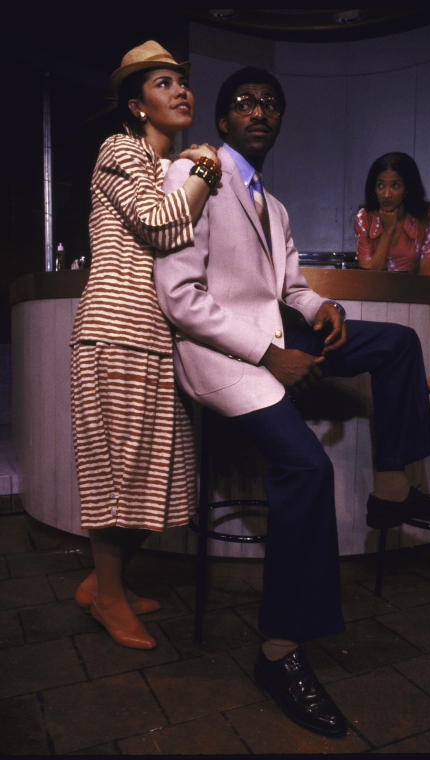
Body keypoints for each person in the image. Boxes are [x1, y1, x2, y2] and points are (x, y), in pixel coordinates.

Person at [154, 68, 430, 738]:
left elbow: (290, 284)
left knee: (395, 343)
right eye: (244, 103)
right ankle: (278, 654)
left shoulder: (271, 205)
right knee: (307, 469)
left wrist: (323, 307)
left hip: (276, 333)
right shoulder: (191, 177)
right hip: (222, 354)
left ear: (278, 121)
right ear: (223, 122)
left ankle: (392, 489)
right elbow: (179, 299)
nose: (259, 111)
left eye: (270, 104)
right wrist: (268, 354)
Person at [70, 41, 222, 651]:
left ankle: (102, 585)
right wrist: (206, 171)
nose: (180, 91)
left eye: (181, 82)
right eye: (163, 84)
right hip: (116, 330)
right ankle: (108, 598)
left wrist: (193, 170)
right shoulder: (119, 150)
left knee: (156, 479)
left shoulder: (166, 166)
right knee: (119, 474)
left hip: (154, 336)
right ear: (136, 106)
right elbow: (161, 224)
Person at [355, 152, 430, 275]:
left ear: (407, 188)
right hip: (375, 293)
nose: (386, 194)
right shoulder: (364, 217)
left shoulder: (427, 215)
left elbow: (426, 276)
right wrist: (388, 230)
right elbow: (369, 278)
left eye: (395, 185)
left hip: (414, 292)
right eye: (380, 185)